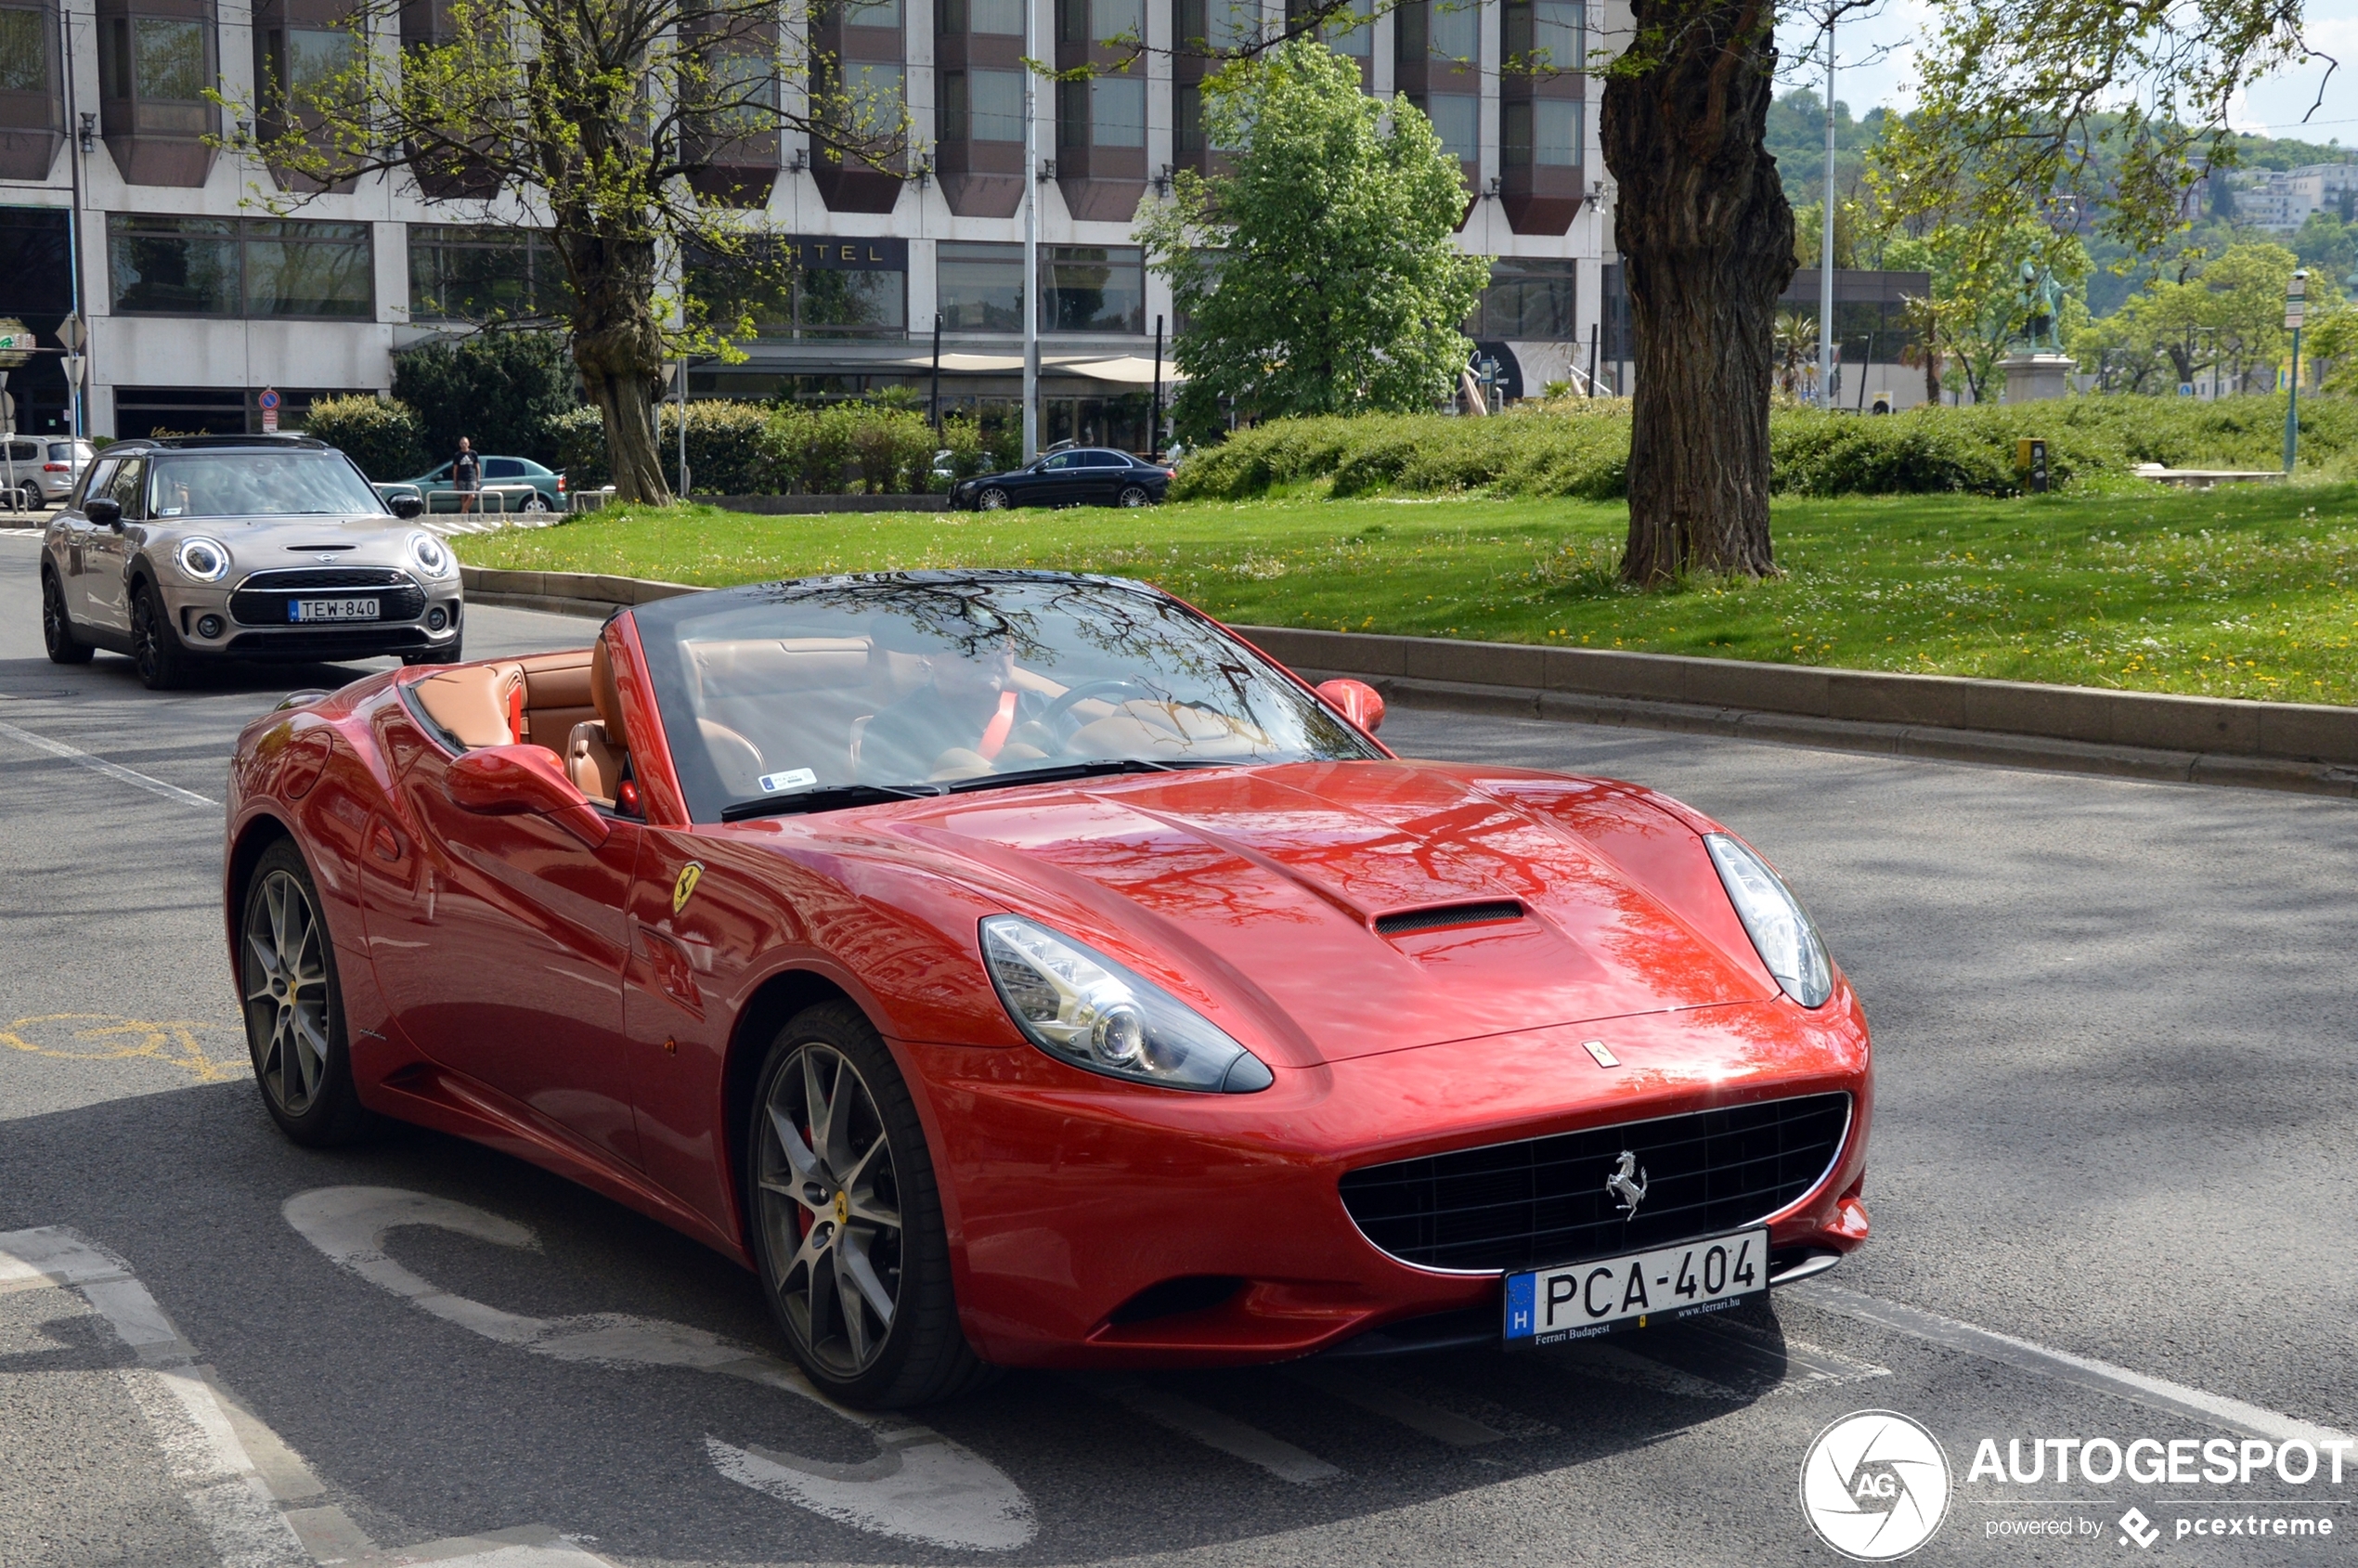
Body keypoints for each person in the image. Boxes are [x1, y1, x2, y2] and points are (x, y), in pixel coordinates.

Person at [450, 437, 481, 516]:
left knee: (472, 496)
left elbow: (477, 467)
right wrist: (455, 483)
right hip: (461, 478)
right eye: (462, 443)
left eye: (465, 443)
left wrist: (478, 481)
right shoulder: (457, 455)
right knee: (463, 497)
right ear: (459, 444)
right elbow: (455, 470)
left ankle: (462, 513)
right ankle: (465, 516)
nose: (464, 445)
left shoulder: (473, 453)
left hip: (472, 478)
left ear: (468, 444)